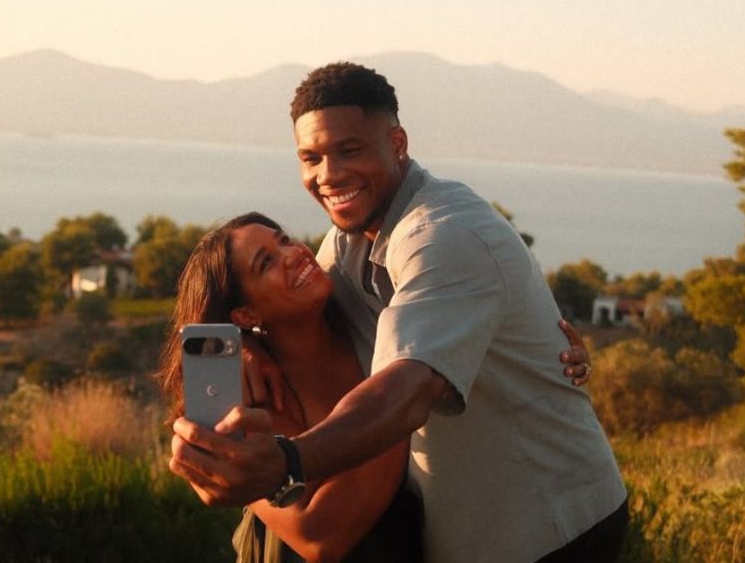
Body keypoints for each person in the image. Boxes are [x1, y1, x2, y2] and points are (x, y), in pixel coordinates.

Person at [169, 62, 626, 563]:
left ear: (397, 143)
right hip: (469, 530)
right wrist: (247, 348)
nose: (328, 175)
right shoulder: (345, 245)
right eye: (311, 158)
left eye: (349, 150)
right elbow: (293, 313)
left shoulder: (446, 234)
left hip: (549, 524)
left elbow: (409, 390)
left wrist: (287, 463)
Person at [159, 212, 423, 562]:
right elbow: (319, 537)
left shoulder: (366, 320)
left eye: (283, 240)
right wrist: (408, 395)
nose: (293, 253)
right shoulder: (246, 400)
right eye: (266, 262)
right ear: (245, 315)